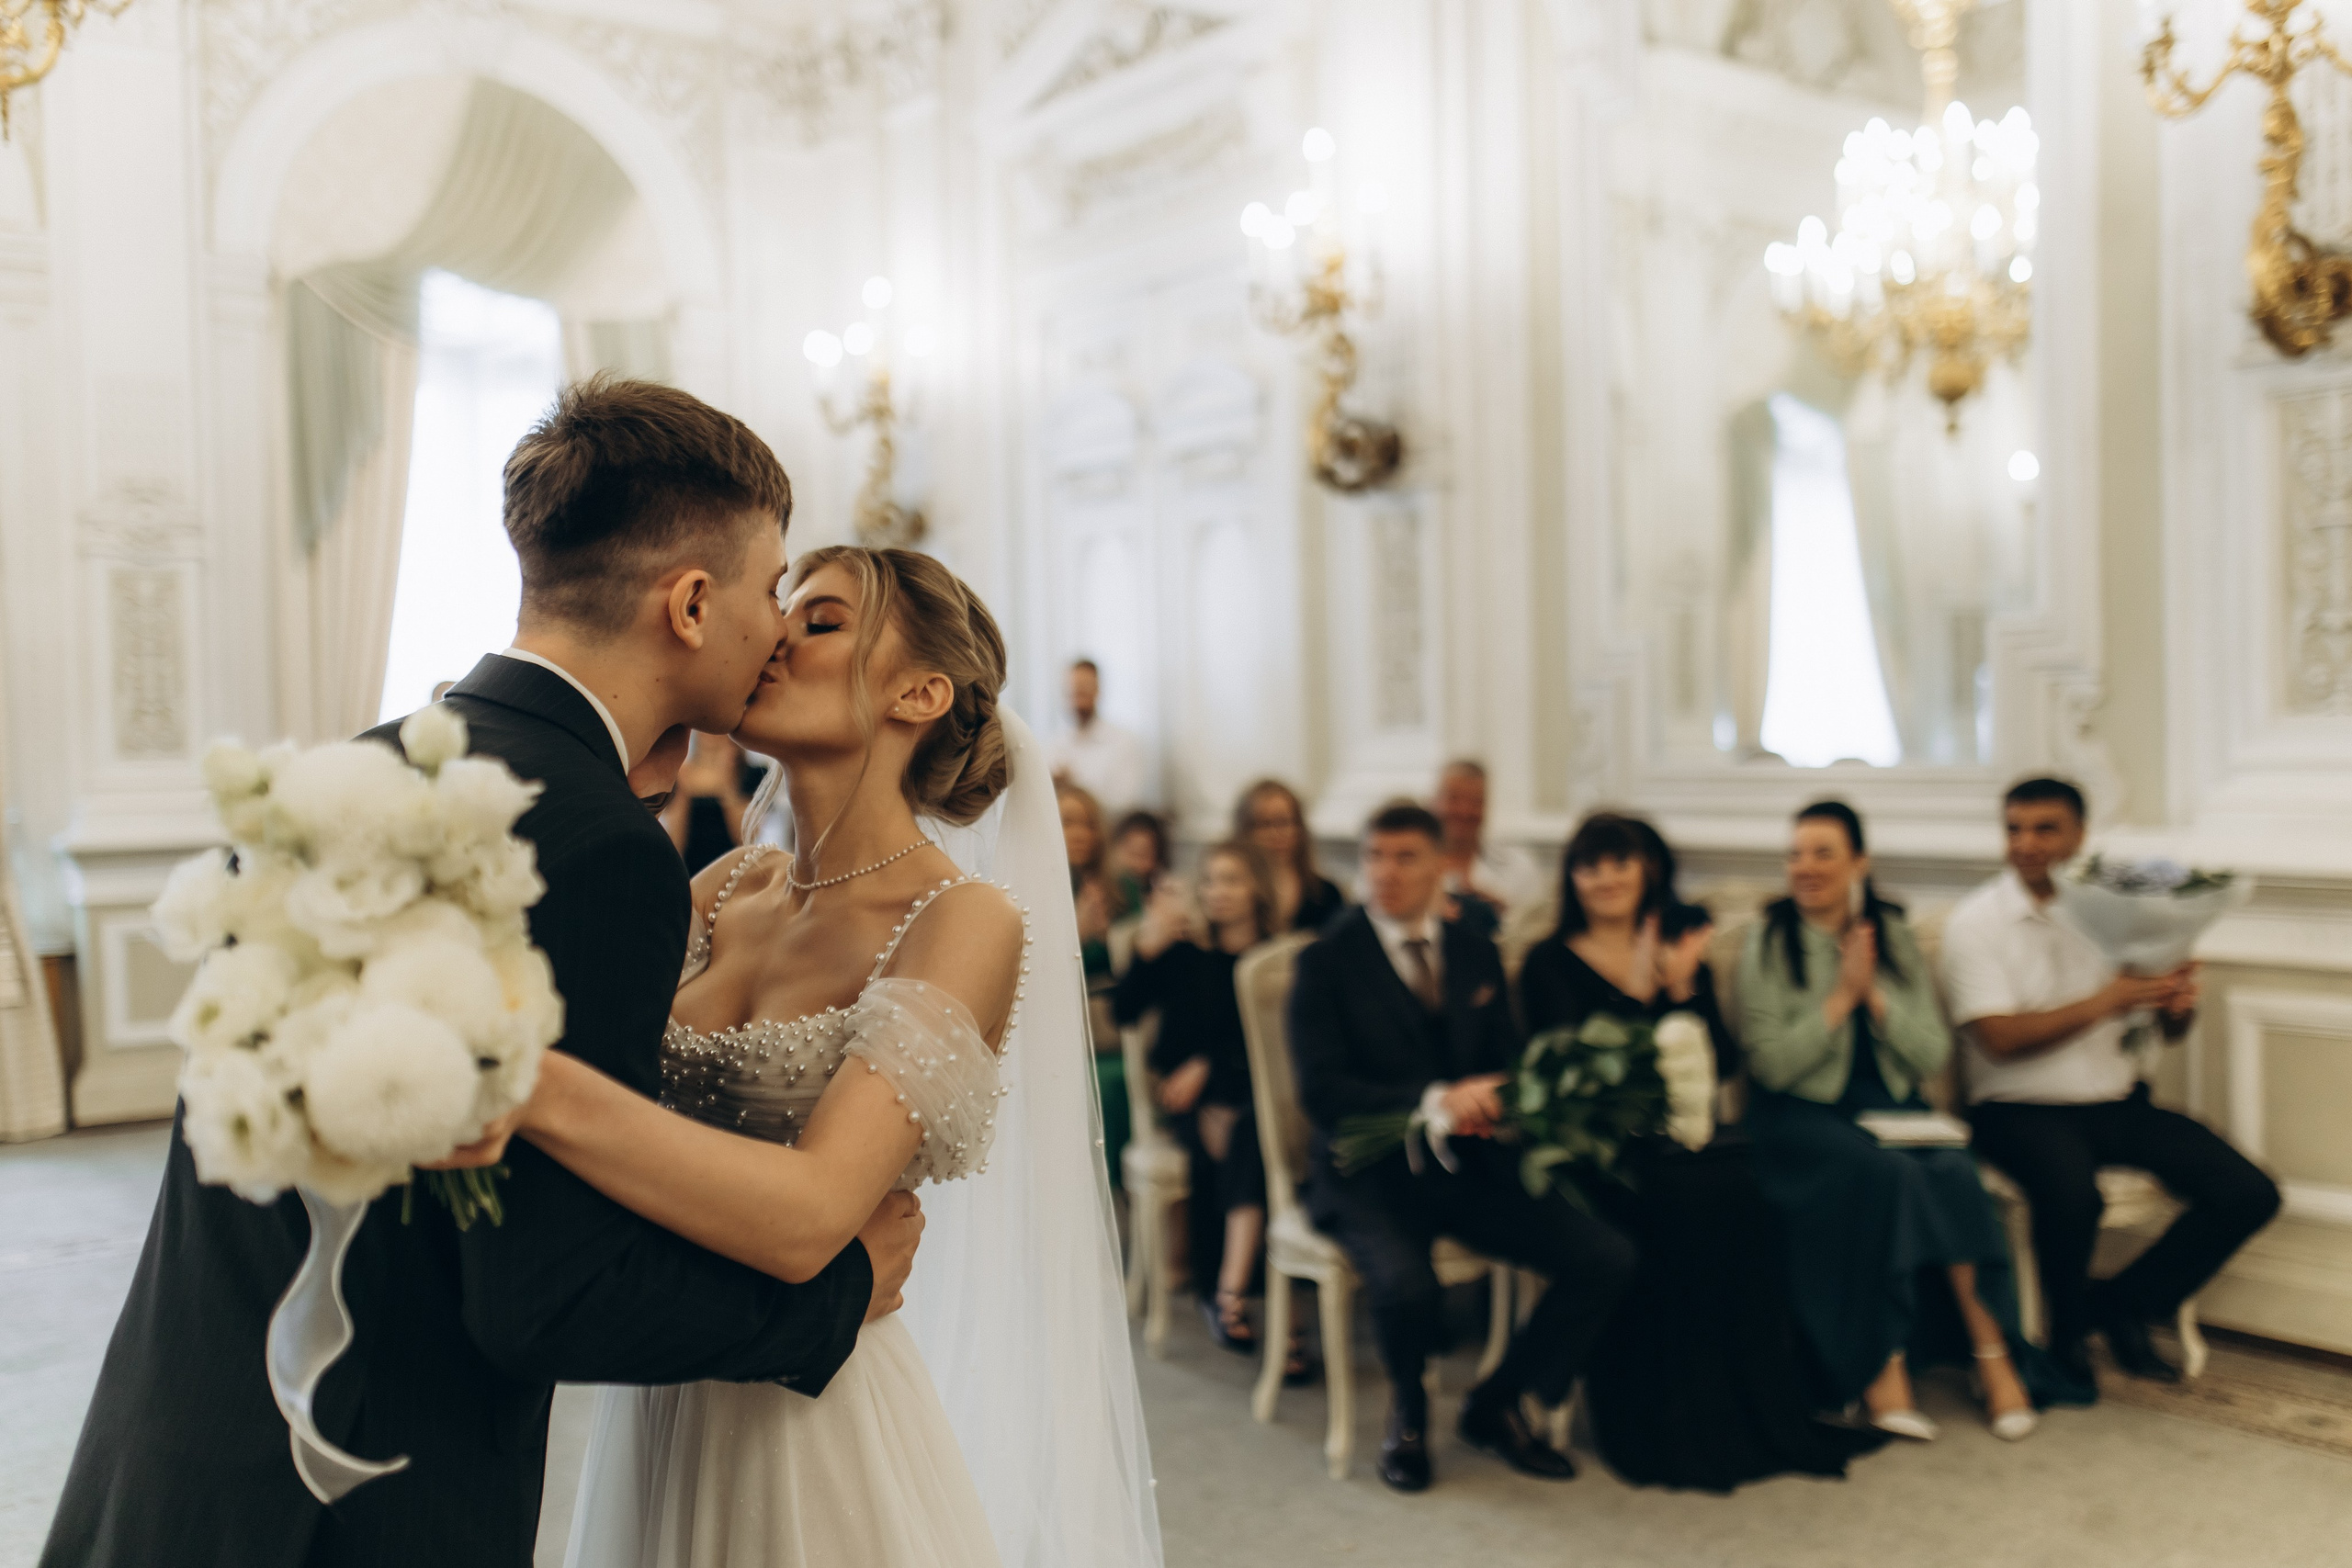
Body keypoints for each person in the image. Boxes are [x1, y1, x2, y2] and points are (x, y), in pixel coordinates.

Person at [40, 378, 917, 1568]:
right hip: (363, 1498)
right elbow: (546, 1295)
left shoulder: (369, 764)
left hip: (177, 1443)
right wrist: (831, 1296)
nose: (775, 626)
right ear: (693, 603)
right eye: (771, 589)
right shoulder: (599, 847)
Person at [523, 546, 1161, 1566]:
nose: (776, 635)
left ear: (919, 692)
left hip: (813, 1415)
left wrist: (525, 1086)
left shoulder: (963, 920)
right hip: (672, 1385)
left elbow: (813, 1216)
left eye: (819, 622)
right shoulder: (726, 884)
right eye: (784, 609)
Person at [1519, 812, 1879, 1490]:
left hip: (1680, 1136)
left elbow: (1719, 1062)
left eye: (1619, 862)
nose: (1606, 878)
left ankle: (1749, 1402)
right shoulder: (1547, 961)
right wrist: (1644, 996)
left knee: (1746, 1188)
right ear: (1572, 877)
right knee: (1685, 1201)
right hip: (1598, 1150)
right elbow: (1579, 1077)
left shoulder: (1680, 945)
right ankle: (1669, 1415)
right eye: (1590, 865)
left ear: (1646, 869)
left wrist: (1682, 987)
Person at [1289, 802, 1637, 1492]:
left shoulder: (1474, 948)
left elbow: (1506, 1053)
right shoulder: (1326, 961)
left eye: (1405, 857)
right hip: (1367, 1173)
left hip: (1469, 1166)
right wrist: (1431, 1102)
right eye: (1373, 857)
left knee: (1605, 1255)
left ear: (1442, 866)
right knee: (1408, 1285)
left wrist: (1502, 1096)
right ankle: (1409, 1415)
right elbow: (1323, 1095)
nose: (1384, 873)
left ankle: (1498, 1398)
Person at [1946, 777, 2280, 1384]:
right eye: (2014, 828)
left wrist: (2173, 1003)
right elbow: (1999, 1038)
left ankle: (2127, 1303)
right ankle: (2066, 1335)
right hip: (2017, 1106)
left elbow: (2170, 1029)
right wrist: (2107, 999)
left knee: (2249, 1190)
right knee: (2073, 1193)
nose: (2026, 843)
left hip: (2116, 1100)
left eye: (2045, 828)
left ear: (2080, 836)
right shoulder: (1976, 922)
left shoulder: (2116, 909)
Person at [1737, 799, 2041, 1444]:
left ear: (1858, 862)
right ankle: (1881, 1368)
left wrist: (1874, 995)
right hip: (1800, 1118)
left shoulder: (1892, 935)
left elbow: (1929, 1053)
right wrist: (1840, 997)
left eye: (1822, 852)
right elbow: (1770, 1066)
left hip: (1893, 1109)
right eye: (1796, 853)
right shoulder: (1767, 940)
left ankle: (1995, 1361)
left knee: (1956, 1172)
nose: (1805, 867)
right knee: (1883, 1174)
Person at [1115, 840, 1310, 1380]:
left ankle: (1228, 1290)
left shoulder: (1277, 962)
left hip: (1253, 1096)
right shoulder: (1186, 954)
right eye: (1210, 882)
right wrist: (1149, 947)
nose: (1218, 892)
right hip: (1192, 1104)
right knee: (1250, 1131)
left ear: (1258, 891)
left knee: (1253, 1122)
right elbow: (1126, 1010)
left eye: (1233, 880)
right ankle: (1264, 1307)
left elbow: (1275, 1052)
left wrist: (1207, 1062)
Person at [1431, 760, 1545, 932]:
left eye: (1475, 801)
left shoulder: (1520, 869)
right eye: (1453, 799)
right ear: (1432, 802)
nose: (1464, 811)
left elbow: (1537, 935)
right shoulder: (1406, 870)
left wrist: (1503, 914)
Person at [1234, 778, 1349, 933]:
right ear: (1245, 831)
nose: (1276, 834)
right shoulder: (1230, 894)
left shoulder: (1325, 894)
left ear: (1300, 828)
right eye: (1264, 824)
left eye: (1284, 822)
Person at [1048, 658, 1150, 813]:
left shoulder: (1123, 743)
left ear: (1097, 690)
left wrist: (1074, 785)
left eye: (1083, 691)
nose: (1078, 701)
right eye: (1073, 693)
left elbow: (1125, 805)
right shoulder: (1055, 745)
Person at [661, 730, 754, 873]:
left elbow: (745, 840)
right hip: (690, 872)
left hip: (733, 871)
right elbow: (675, 843)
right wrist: (683, 789)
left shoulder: (748, 774)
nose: (709, 731)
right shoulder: (679, 774)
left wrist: (728, 786)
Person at [1108, 807, 1170, 919]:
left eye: (1144, 855)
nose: (1135, 864)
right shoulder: (1105, 893)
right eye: (1131, 853)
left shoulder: (1157, 895)